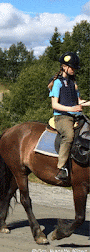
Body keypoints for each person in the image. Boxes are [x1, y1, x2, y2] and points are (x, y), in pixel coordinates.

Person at [49, 52, 90, 180]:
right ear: (64, 67)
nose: (74, 70)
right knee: (69, 135)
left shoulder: (73, 83)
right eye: (72, 68)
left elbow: (79, 102)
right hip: (62, 117)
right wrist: (71, 109)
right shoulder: (57, 83)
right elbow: (55, 105)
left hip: (76, 115)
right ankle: (61, 168)